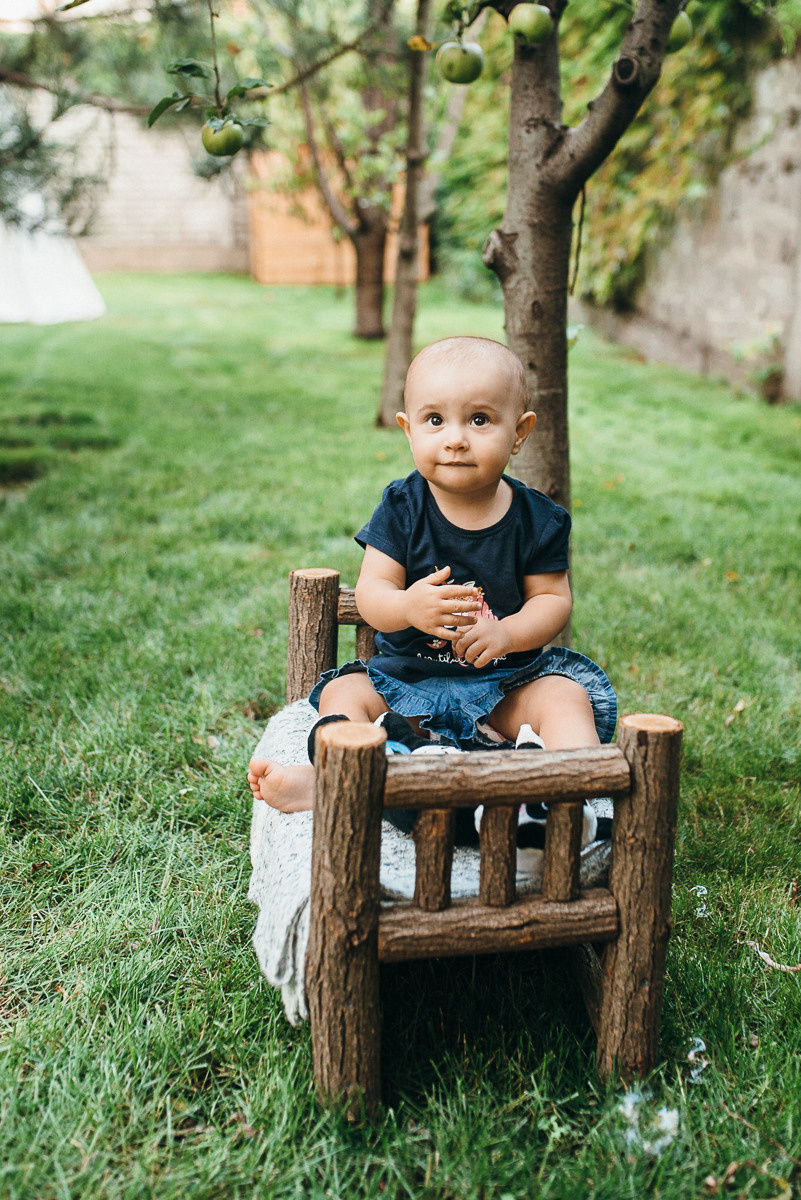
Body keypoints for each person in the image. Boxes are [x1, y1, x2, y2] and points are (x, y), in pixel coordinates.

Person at [248, 336, 616, 844]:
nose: (456, 439)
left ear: (520, 432)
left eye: (480, 419)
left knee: (564, 696)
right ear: (408, 429)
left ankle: (567, 795)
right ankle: (339, 779)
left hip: (502, 690)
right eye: (435, 420)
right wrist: (406, 606)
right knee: (343, 692)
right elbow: (373, 592)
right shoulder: (403, 507)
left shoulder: (538, 520)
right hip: (407, 689)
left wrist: (507, 634)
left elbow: (553, 601)